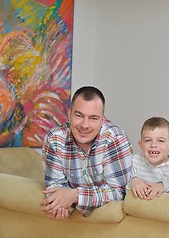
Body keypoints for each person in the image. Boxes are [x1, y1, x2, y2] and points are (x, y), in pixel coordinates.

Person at [40, 86, 133, 219]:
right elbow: (54, 186)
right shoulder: (54, 139)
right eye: (79, 115)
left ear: (102, 120)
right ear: (69, 114)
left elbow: (119, 191)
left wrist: (74, 196)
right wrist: (61, 205)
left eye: (93, 118)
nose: (85, 125)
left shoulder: (115, 138)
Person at [130, 117, 169, 200]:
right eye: (148, 140)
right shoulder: (135, 161)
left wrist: (163, 186)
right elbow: (121, 185)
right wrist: (134, 181)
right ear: (140, 145)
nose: (153, 145)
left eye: (161, 141)